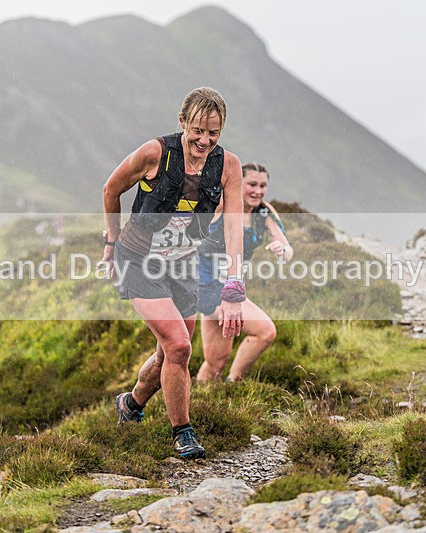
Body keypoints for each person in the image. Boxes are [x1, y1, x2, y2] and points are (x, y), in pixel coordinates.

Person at [100, 87, 246, 459]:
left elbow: (233, 225)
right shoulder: (154, 153)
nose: (204, 140)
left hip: (183, 266)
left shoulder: (228, 166)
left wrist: (234, 285)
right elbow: (111, 190)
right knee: (180, 346)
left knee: (169, 355)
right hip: (139, 261)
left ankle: (131, 404)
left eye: (213, 133)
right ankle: (183, 433)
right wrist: (111, 242)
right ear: (182, 121)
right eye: (197, 130)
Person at [196, 162, 293, 383]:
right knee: (265, 331)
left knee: (216, 361)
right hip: (205, 284)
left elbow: (288, 251)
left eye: (263, 186)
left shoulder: (264, 213)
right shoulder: (221, 204)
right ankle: (234, 383)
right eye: (252, 184)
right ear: (239, 183)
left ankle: (198, 397)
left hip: (230, 288)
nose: (257, 191)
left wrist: (282, 250)